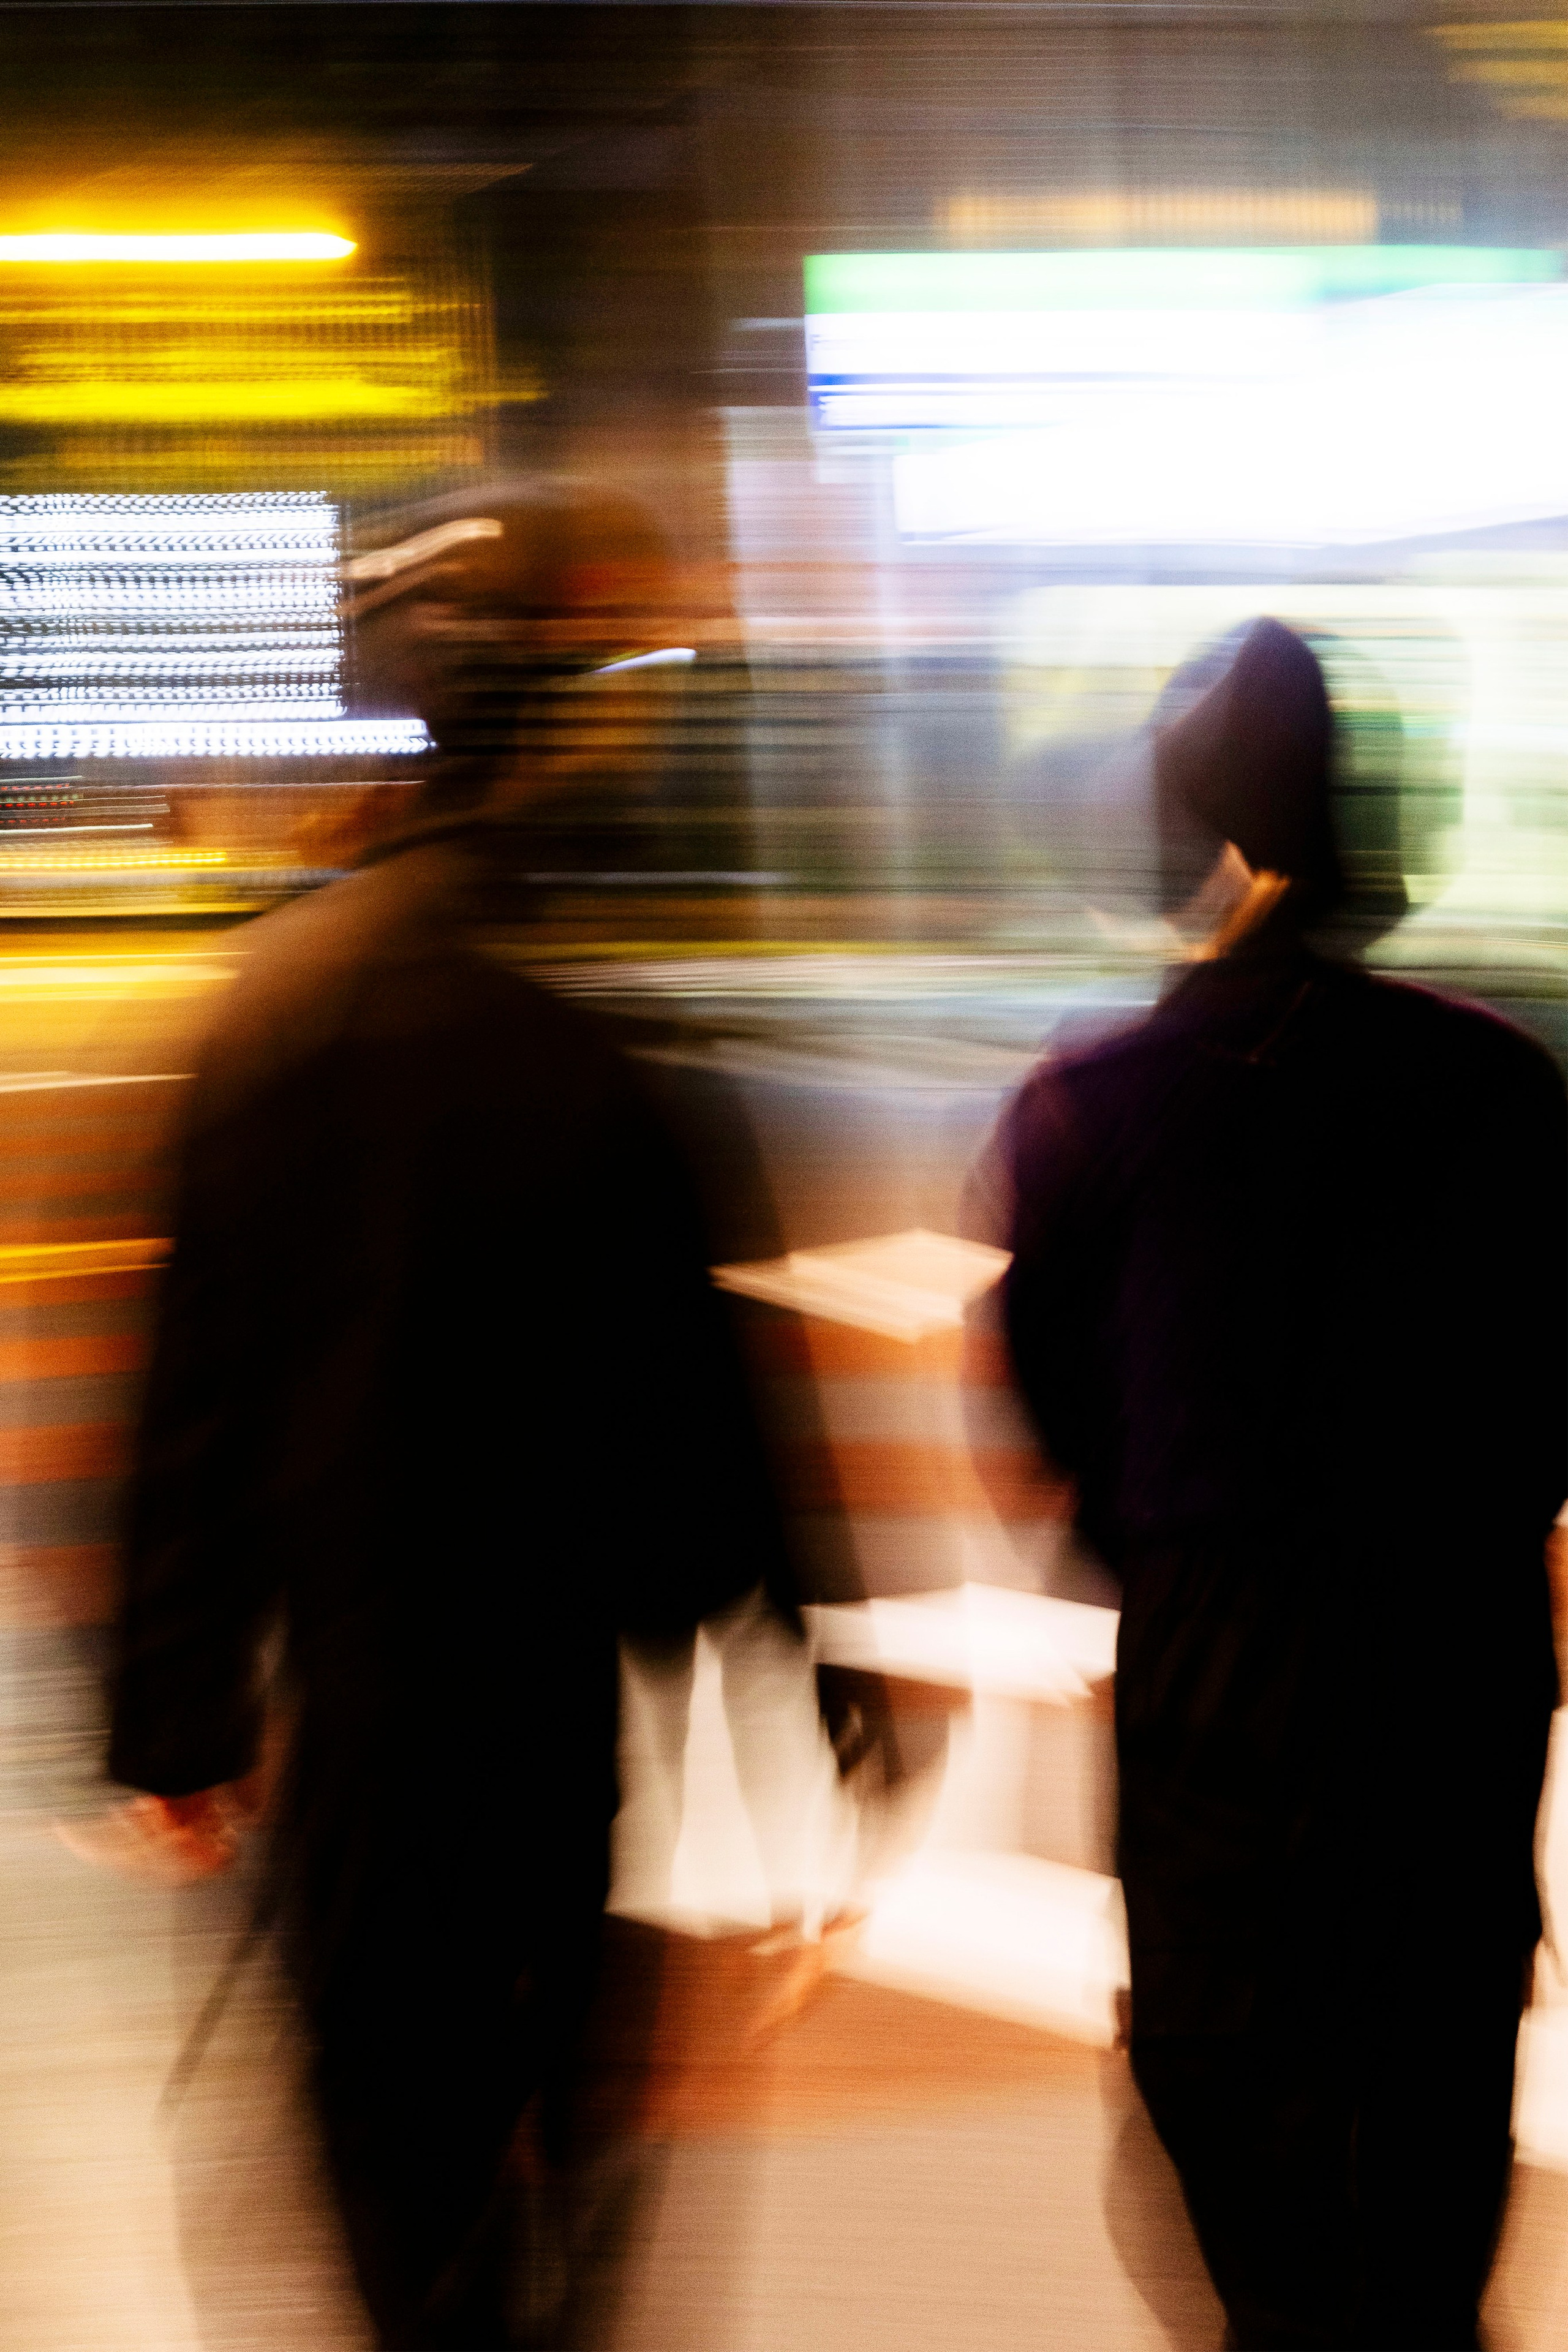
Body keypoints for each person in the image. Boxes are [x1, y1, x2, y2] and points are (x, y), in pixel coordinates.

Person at [105, 480, 881, 2350]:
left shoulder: (263, 1023)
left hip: (357, 1749)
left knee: (396, 2199)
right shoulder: (606, 1060)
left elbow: (192, 1410)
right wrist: (820, 1699)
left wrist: (176, 1725)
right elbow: (710, 1438)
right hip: (551, 1747)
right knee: (558, 2202)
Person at [977, 618, 1567, 2350]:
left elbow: (1049, 1411)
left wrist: (1162, 1547)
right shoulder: (1501, 1087)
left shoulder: (1091, 1110)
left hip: (1216, 1671)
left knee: (1235, 2099)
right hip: (1449, 1659)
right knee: (1436, 2090)